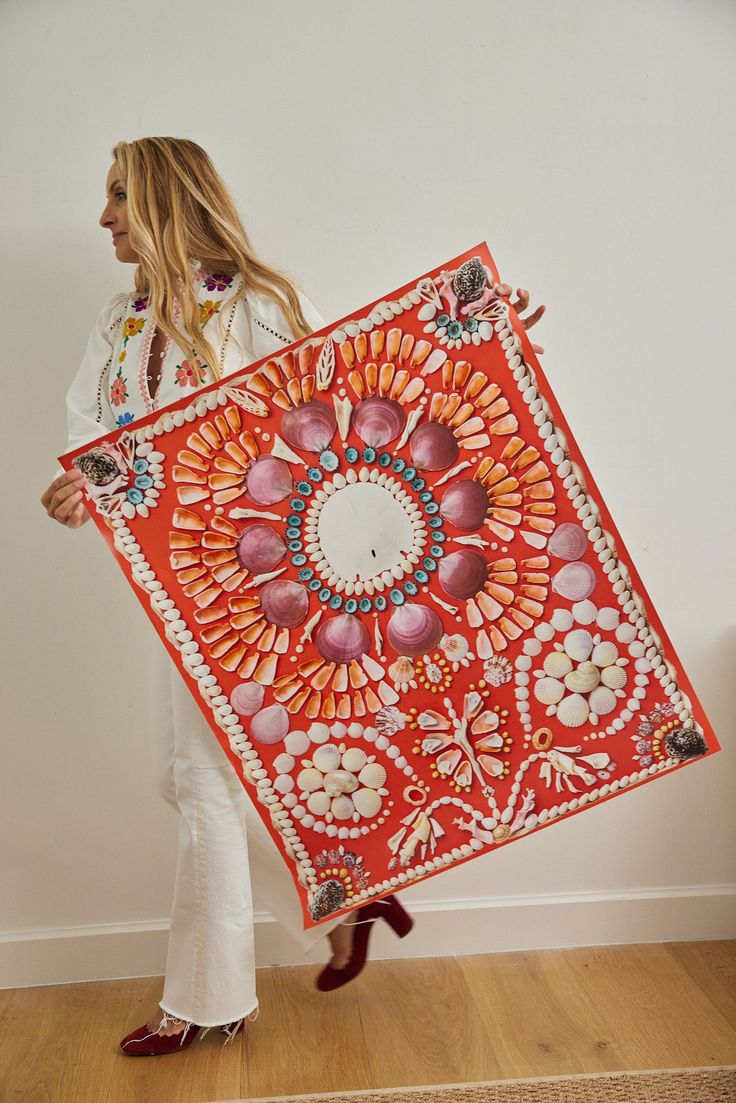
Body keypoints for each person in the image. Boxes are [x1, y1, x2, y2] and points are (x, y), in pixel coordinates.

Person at [41, 136, 545, 1057]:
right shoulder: (118, 322)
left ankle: (208, 999)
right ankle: (345, 894)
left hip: (262, 589)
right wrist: (79, 491)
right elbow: (97, 447)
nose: (105, 217)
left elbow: (366, 397)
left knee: (199, 782)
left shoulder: (263, 305)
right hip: (170, 590)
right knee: (182, 777)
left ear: (165, 199)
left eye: (119, 196)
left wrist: (477, 332)